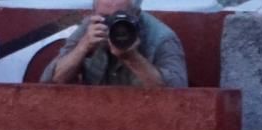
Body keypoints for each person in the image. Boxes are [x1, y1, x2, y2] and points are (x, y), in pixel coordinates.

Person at [41, 0, 188, 88]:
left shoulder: (162, 37)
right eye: (105, 17)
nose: (112, 24)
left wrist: (132, 58)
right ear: (94, 13)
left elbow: (180, 94)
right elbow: (49, 81)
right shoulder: (89, 28)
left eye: (119, 17)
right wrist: (83, 47)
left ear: (136, 14)